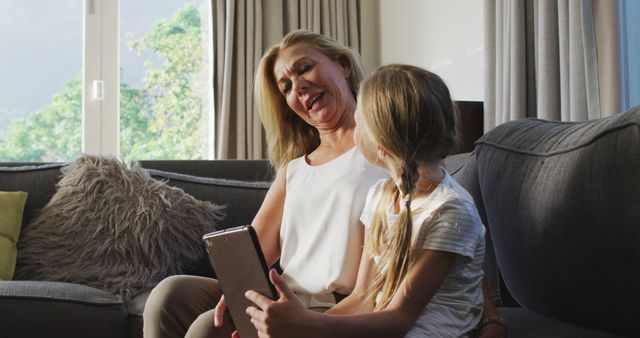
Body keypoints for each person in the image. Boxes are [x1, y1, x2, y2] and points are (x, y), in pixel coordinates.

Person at [143, 29, 387, 338]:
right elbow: (252, 251)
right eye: (286, 87)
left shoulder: (384, 150)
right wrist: (235, 290)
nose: (299, 86)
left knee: (208, 328)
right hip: (286, 295)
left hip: (331, 308)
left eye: (305, 68)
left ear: (343, 65)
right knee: (171, 293)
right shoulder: (295, 169)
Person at [244, 64, 493, 337]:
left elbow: (400, 320)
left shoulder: (450, 210)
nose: (354, 125)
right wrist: (298, 328)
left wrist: (307, 325)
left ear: (380, 144)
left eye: (359, 120)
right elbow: (362, 297)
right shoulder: (381, 196)